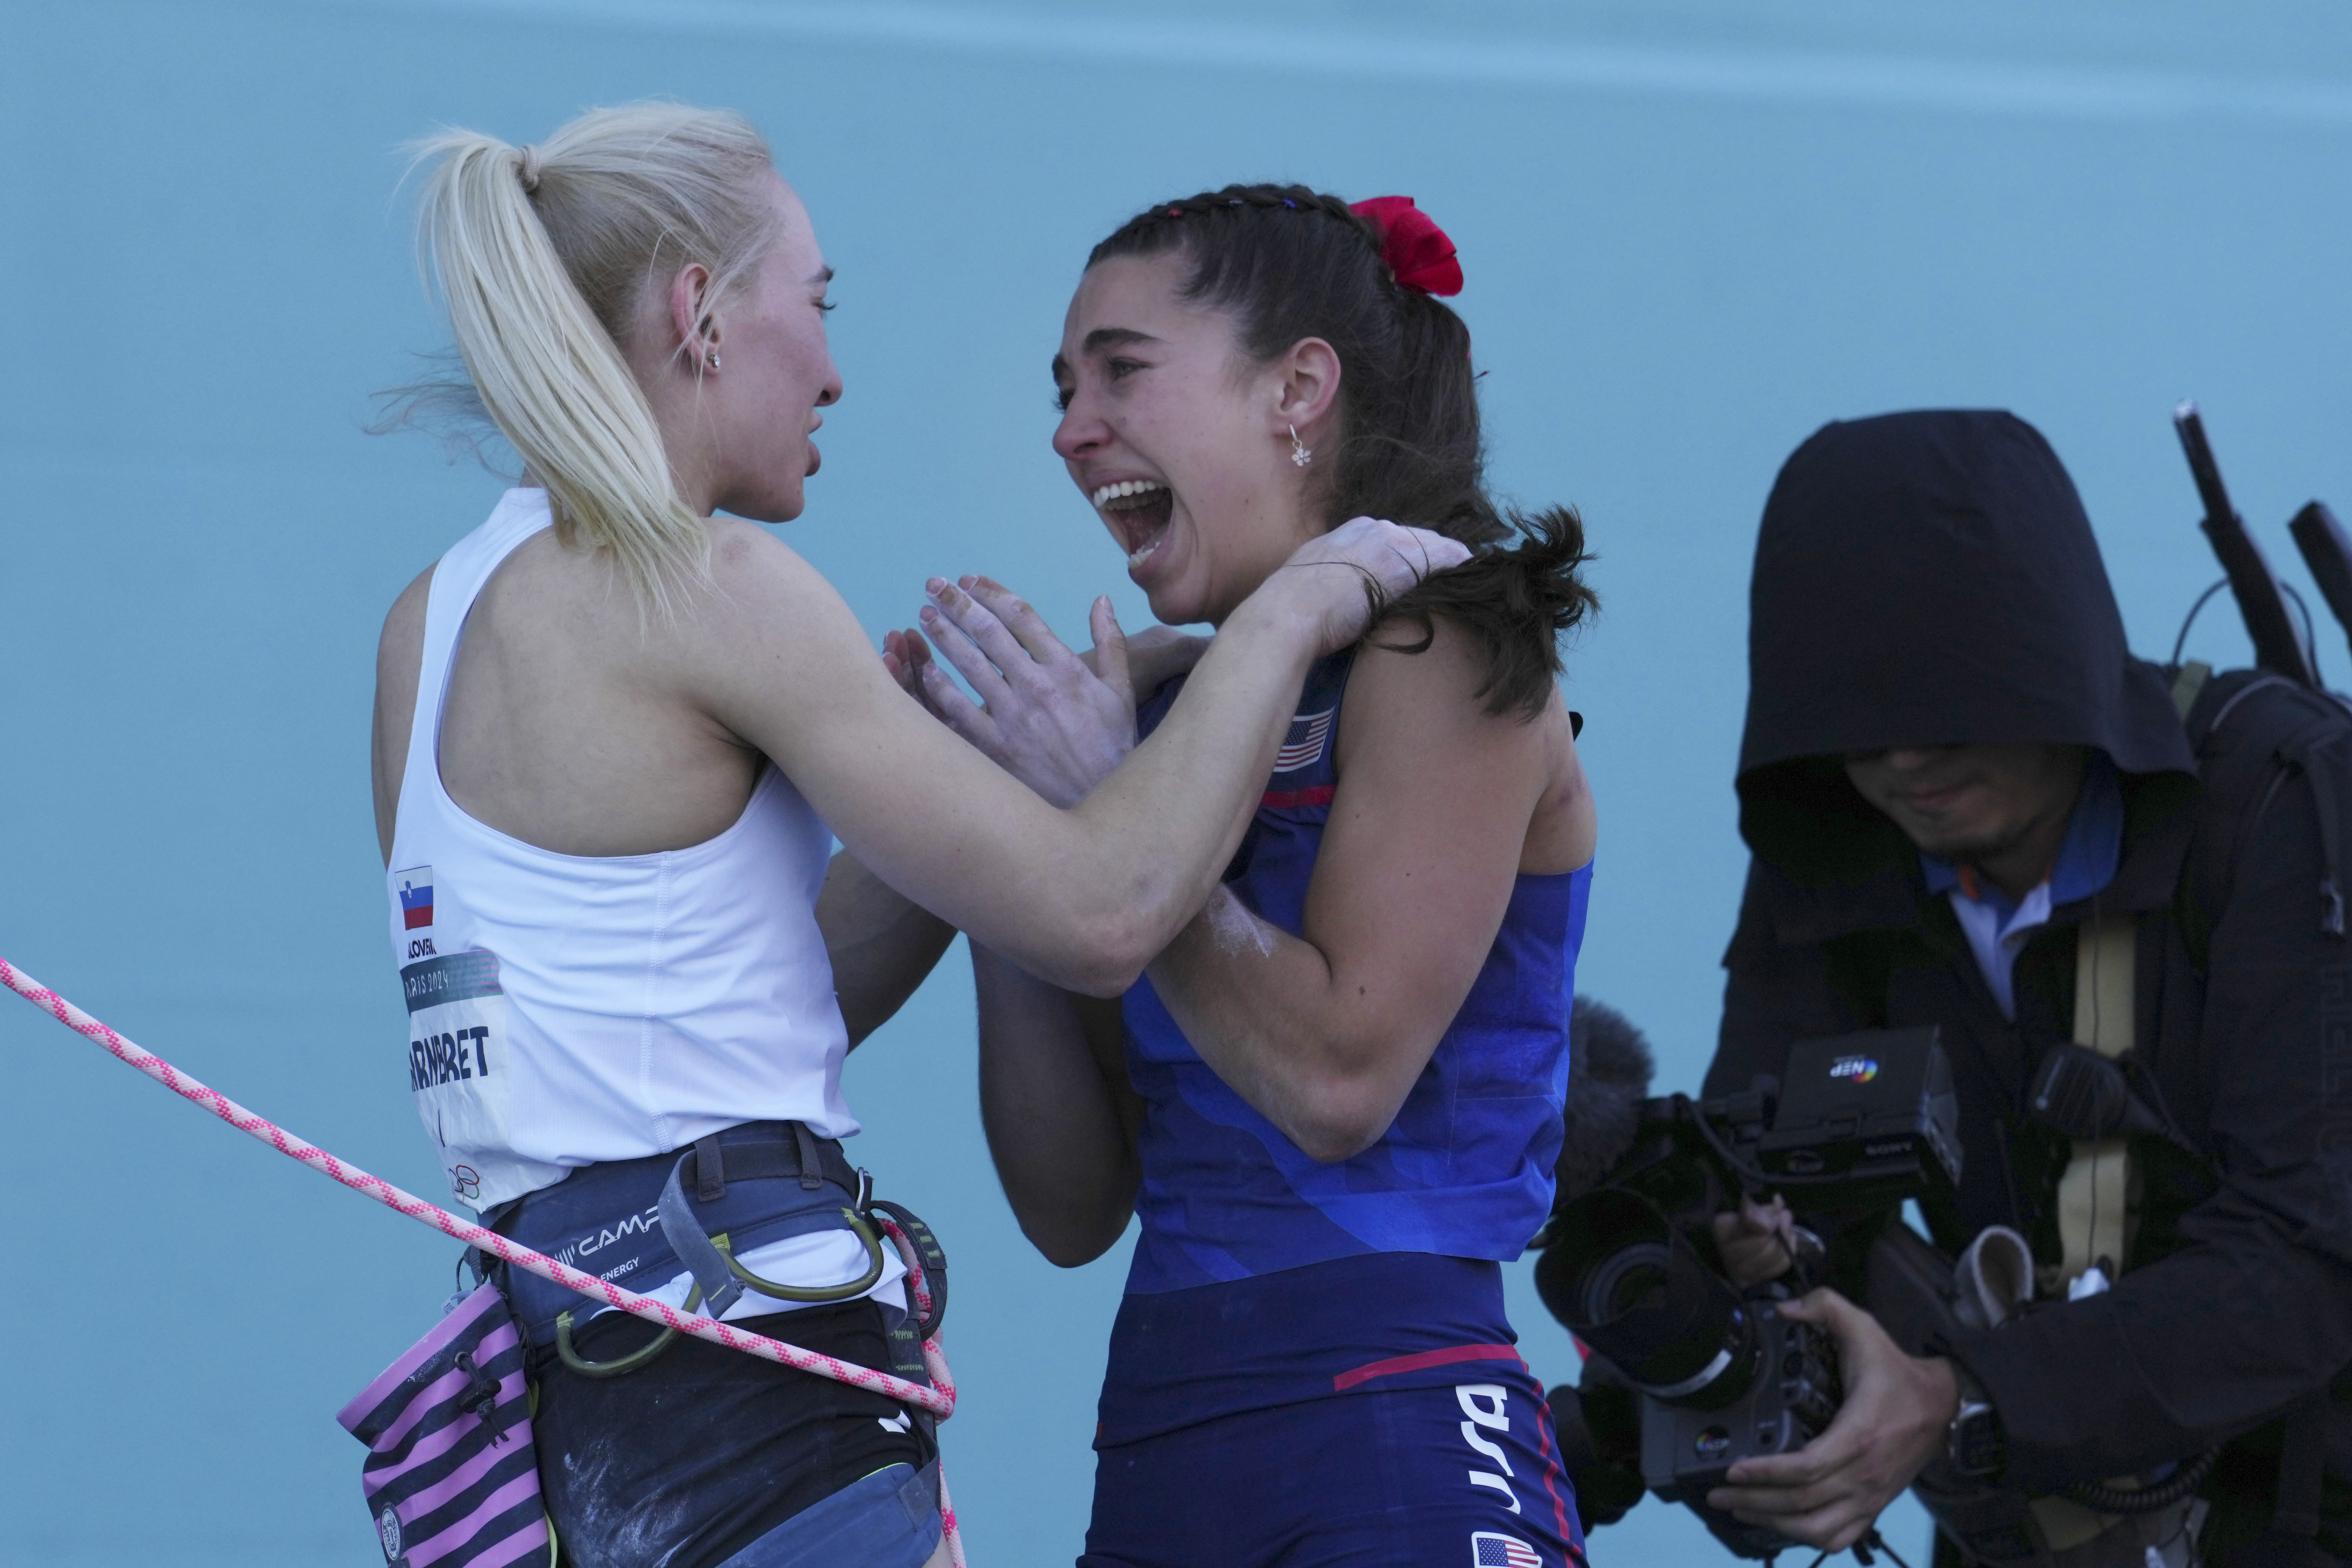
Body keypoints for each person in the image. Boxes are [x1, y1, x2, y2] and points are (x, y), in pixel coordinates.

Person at [370, 108, 1463, 1568]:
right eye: (813, 309)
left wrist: (974, 780)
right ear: (700, 311)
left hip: (572, 1429)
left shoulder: (429, 622)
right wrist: (1296, 610)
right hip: (755, 1418)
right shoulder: (708, 584)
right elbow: (1109, 908)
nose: (831, 371)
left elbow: (717, 1007)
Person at [905, 184, 1599, 1568]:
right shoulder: (1164, 723)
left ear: (1298, 390)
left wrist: (1106, 818)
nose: (1069, 428)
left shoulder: (1445, 651)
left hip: (1396, 1421)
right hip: (1161, 1433)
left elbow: (1339, 1084)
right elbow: (1069, 1207)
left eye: (1121, 369)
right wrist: (1016, 847)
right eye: (1062, 388)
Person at [1699, 410, 2352, 1566]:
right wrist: (1739, 1294)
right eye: (1858, 717)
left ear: (2054, 662)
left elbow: (2307, 1255)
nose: (1905, 759)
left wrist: (1959, 1396)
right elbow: (1785, 1193)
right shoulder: (1836, 851)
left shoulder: (2279, 803)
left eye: (1949, 701)